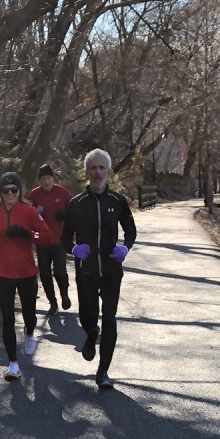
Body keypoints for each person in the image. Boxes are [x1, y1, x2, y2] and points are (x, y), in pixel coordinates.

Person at [61, 148, 137, 390]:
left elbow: (131, 231)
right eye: (93, 167)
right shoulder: (76, 204)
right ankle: (91, 334)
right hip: (86, 272)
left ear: (108, 171)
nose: (97, 172)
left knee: (111, 320)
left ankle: (103, 371)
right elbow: (64, 237)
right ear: (87, 172)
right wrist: (73, 250)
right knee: (87, 317)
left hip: (112, 271)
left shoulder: (118, 202)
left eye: (101, 167)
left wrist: (125, 248)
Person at [0, 171, 52, 381]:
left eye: (14, 190)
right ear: (0, 193)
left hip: (27, 272)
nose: (9, 193)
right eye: (5, 190)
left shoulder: (29, 212)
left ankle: (29, 332)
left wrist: (28, 234)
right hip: (4, 273)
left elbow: (46, 236)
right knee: (7, 319)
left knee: (29, 314)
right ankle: (13, 364)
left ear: (20, 191)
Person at [28, 163, 73, 314]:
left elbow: (75, 212)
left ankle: (64, 295)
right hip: (42, 242)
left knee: (59, 272)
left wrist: (66, 216)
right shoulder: (34, 195)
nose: (46, 182)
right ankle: (52, 302)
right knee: (45, 274)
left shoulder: (63, 193)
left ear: (53, 179)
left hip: (59, 240)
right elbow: (27, 215)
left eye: (48, 178)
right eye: (43, 179)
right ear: (39, 181)